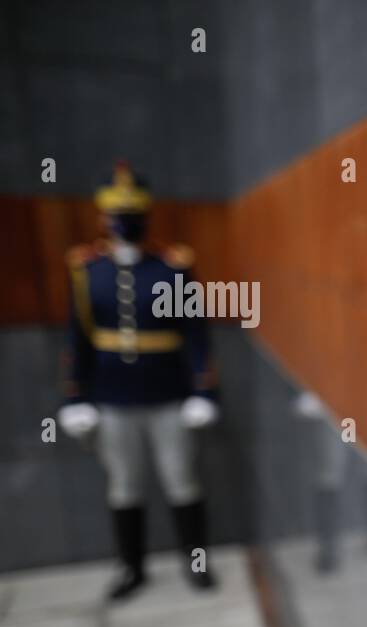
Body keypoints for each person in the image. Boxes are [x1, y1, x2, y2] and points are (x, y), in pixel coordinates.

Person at [56, 162, 221, 600]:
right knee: (124, 484)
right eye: (117, 212)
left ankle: (197, 561)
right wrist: (75, 395)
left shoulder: (172, 267)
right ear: (103, 216)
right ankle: (131, 568)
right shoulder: (87, 271)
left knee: (181, 478)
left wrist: (204, 389)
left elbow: (195, 333)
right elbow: (79, 337)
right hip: (112, 395)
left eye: (133, 212)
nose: (125, 220)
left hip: (167, 391)